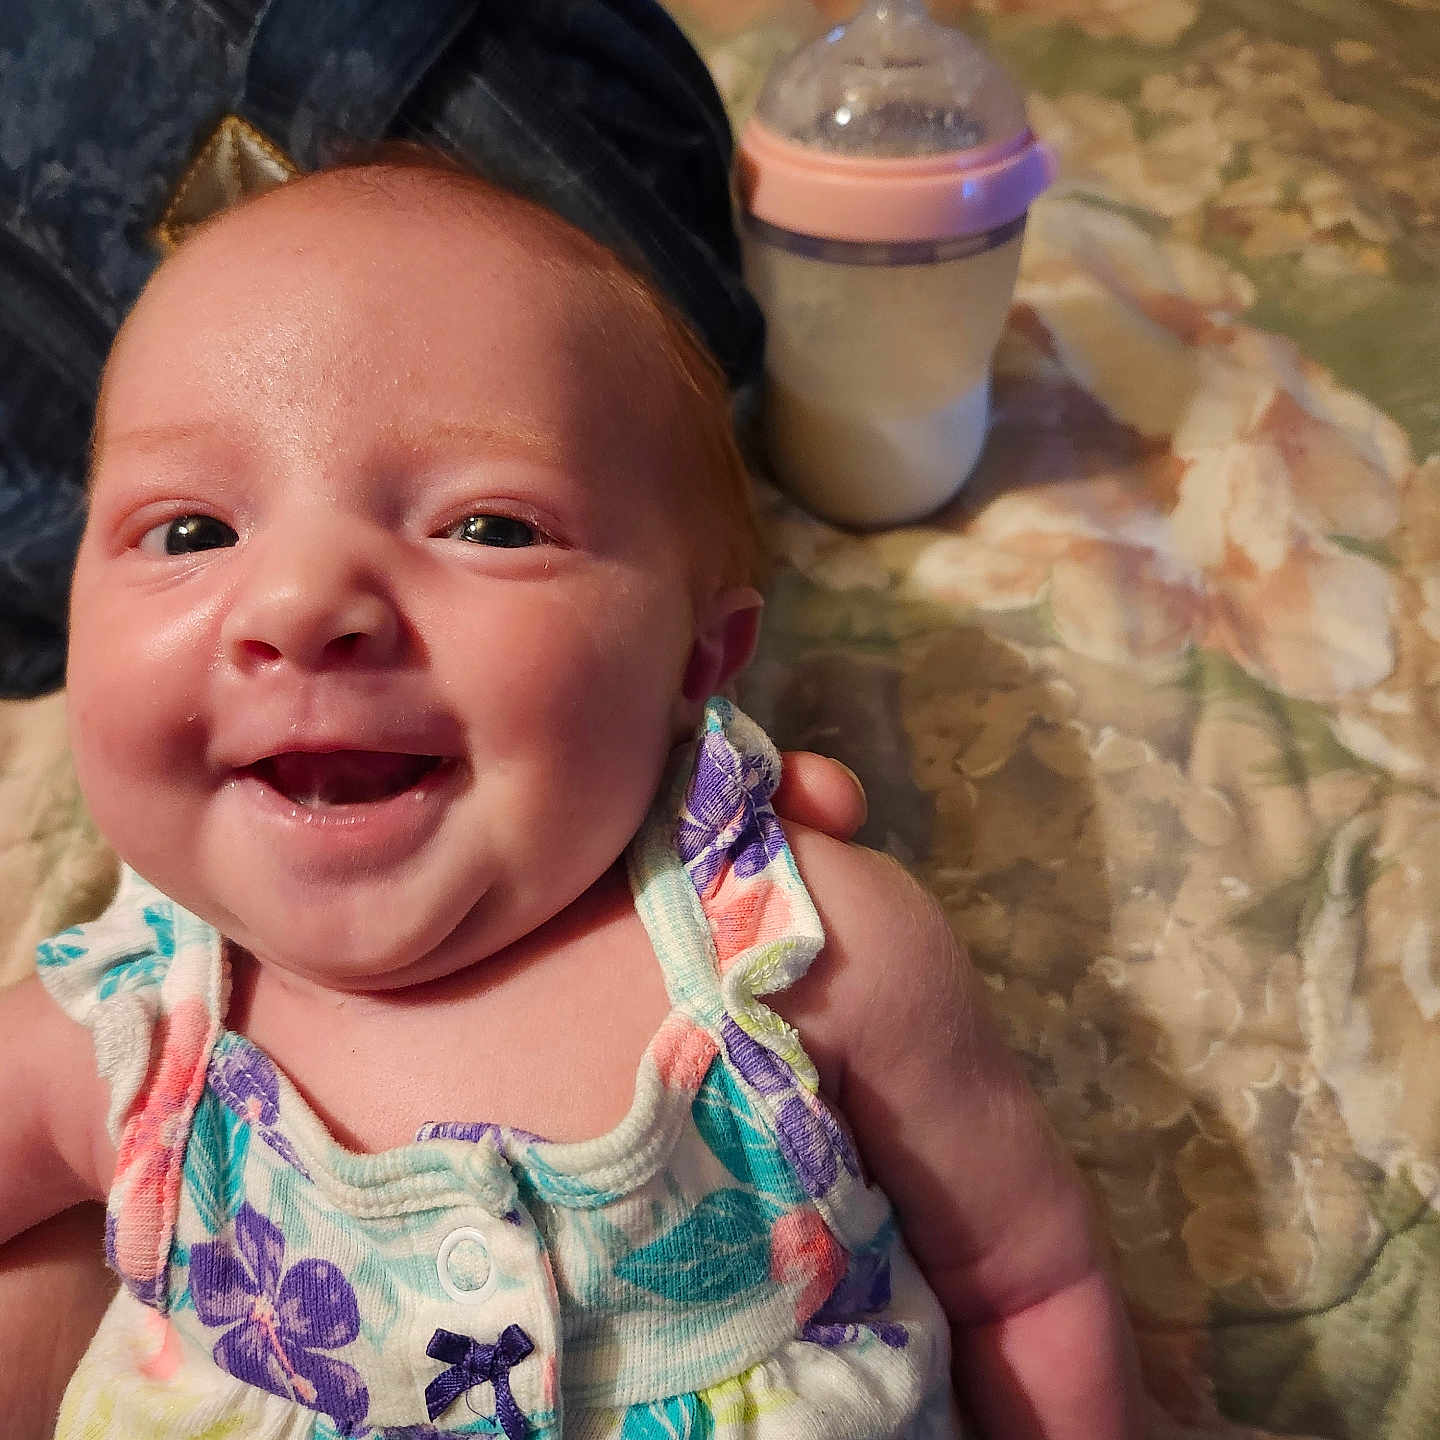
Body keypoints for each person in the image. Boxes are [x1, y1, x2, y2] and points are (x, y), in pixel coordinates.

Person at [0, 157, 1140, 1439]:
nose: (302, 604)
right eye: (192, 533)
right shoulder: (119, 1030)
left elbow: (1026, 1287)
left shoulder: (799, 966)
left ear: (697, 661)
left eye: (488, 527)